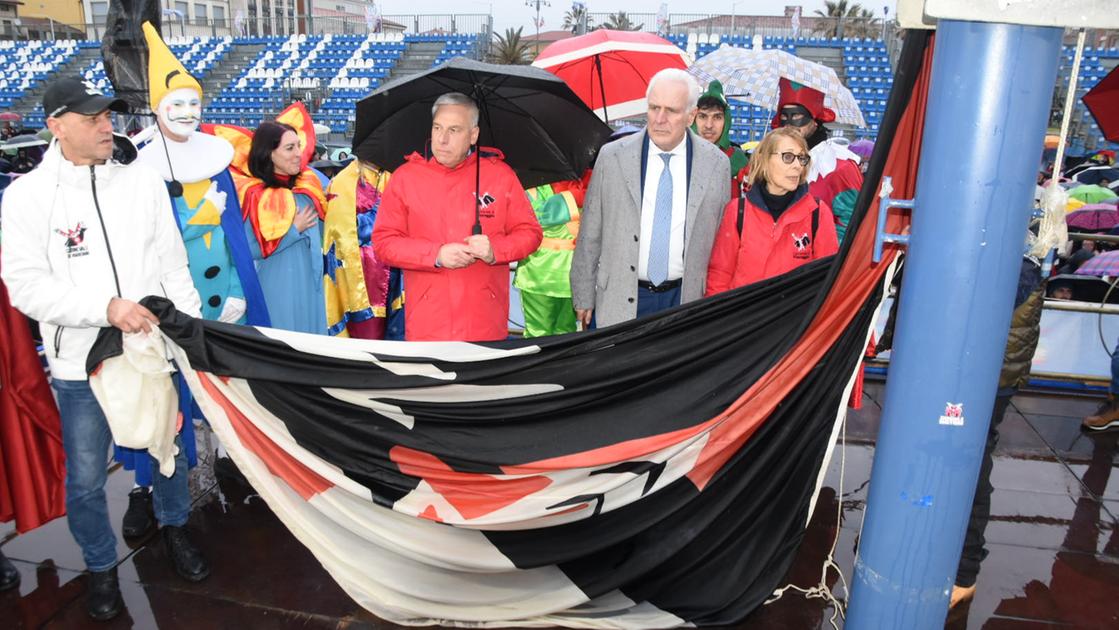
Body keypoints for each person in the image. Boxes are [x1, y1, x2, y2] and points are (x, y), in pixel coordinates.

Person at [0, 76, 210, 621]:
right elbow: (26, 287)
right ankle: (98, 567)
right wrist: (107, 307)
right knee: (87, 477)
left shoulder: (140, 181)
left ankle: (176, 531)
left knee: (168, 453)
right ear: (56, 125)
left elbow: (171, 264)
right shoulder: (26, 197)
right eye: (90, 117)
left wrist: (189, 334)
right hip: (80, 361)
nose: (104, 125)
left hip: (150, 348)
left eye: (108, 115)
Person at [372, 92, 542, 342]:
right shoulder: (405, 178)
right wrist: (435, 255)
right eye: (437, 127)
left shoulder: (500, 175)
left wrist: (495, 249)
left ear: (473, 135)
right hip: (428, 323)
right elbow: (384, 243)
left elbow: (531, 233)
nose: (441, 139)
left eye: (454, 130)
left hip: (484, 323)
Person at [570, 69, 730, 329]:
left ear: (691, 116)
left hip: (685, 301)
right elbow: (590, 232)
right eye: (654, 107)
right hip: (619, 299)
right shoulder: (612, 157)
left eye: (671, 110)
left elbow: (720, 242)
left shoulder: (716, 165)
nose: (659, 119)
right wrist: (583, 294)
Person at [951, 257, 1045, 608]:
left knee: (972, 466)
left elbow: (982, 301)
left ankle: (965, 570)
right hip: (980, 371)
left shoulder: (1011, 255)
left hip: (987, 376)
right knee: (961, 461)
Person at [705, 127, 839, 294]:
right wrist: (719, 317)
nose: (797, 166)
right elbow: (720, 275)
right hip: (743, 316)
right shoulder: (738, 211)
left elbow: (826, 278)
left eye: (802, 158)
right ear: (765, 160)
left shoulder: (817, 213)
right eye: (788, 157)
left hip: (795, 317)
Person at [234, 115, 328, 334]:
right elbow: (247, 250)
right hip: (279, 290)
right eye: (289, 148)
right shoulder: (255, 196)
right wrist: (293, 230)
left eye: (298, 146)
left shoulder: (309, 188)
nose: (298, 153)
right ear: (270, 153)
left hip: (311, 288)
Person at [773, 77, 863, 243]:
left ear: (815, 120)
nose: (789, 123)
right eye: (784, 116)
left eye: (797, 115)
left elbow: (853, 227)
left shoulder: (838, 167)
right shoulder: (773, 162)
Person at [323, 158, 402, 338]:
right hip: (364, 282)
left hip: (397, 275)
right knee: (368, 344)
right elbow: (340, 234)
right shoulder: (344, 182)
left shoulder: (394, 176)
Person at [513, 173, 589, 337]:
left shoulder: (587, 184)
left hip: (575, 275)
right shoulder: (533, 184)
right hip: (540, 275)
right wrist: (573, 198)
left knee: (567, 333)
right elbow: (536, 217)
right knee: (538, 333)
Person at [693, 80, 749, 198]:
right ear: (693, 119)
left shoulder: (738, 160)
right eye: (702, 116)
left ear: (726, 122)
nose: (709, 125)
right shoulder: (682, 156)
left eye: (717, 117)